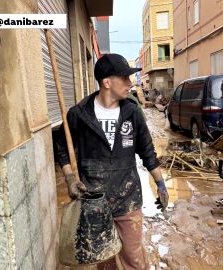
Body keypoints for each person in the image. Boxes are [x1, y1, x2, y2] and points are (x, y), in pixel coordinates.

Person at [55, 53, 169, 269]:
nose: (129, 83)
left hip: (128, 199)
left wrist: (161, 184)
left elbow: (147, 151)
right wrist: (70, 178)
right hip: (94, 201)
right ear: (107, 82)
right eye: (124, 78)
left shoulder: (132, 112)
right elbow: (61, 149)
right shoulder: (78, 115)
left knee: (133, 258)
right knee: (105, 260)